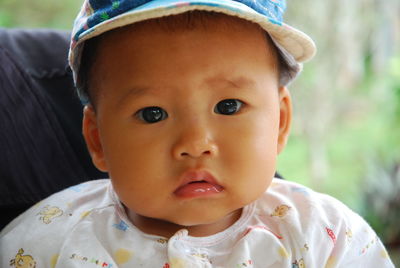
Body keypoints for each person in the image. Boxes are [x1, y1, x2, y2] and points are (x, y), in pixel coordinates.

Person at [0, 0, 395, 267]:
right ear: (97, 138)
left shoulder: (327, 237)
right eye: (153, 113)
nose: (195, 143)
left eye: (228, 106)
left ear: (279, 122)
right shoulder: (44, 243)